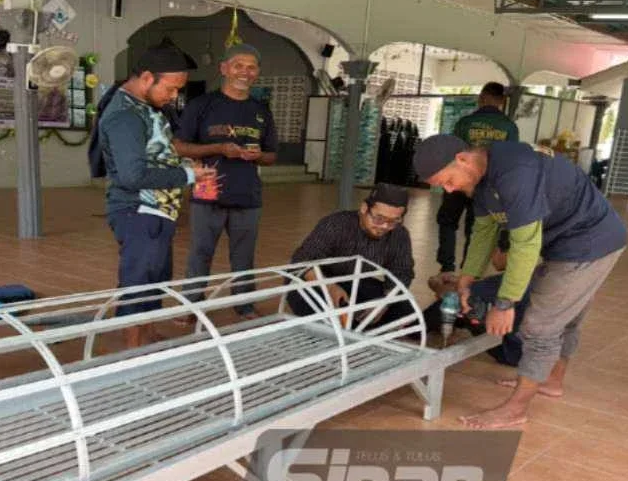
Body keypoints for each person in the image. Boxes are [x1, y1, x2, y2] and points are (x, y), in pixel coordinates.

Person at [413, 134, 627, 429]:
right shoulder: (483, 180)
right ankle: (551, 380)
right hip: (563, 243)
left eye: (447, 181)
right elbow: (484, 232)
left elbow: (525, 244)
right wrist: (465, 280)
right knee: (565, 316)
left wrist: (505, 302)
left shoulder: (516, 172)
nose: (450, 190)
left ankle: (515, 409)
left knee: (540, 326)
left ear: (462, 159)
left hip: (590, 242)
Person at [96, 41, 217, 348]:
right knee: (138, 281)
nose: (174, 96)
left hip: (159, 211)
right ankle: (133, 348)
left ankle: (148, 335)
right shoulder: (124, 114)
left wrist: (180, 162)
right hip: (138, 211)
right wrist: (188, 175)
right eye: (172, 88)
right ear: (148, 78)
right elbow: (131, 175)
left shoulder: (145, 107)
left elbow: (154, 152)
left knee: (156, 279)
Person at [173, 44, 278, 320]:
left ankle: (244, 305)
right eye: (238, 65)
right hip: (208, 191)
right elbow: (180, 147)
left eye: (251, 67)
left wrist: (257, 156)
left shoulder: (261, 111)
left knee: (244, 258)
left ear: (257, 72)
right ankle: (190, 306)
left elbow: (271, 156)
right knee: (200, 253)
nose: (245, 72)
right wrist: (218, 149)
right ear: (224, 69)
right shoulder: (202, 105)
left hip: (248, 196)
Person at [288, 183, 415, 329]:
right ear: (364, 208)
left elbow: (402, 271)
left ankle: (357, 324)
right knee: (325, 314)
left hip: (354, 282)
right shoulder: (336, 224)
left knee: (404, 308)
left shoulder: (399, 234)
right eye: (379, 218)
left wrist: (384, 302)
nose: (385, 226)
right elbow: (301, 261)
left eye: (394, 221)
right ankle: (352, 326)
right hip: (315, 282)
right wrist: (329, 288)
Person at [437, 82, 519, 277]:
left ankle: (447, 267)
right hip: (488, 186)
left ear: (482, 97)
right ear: (502, 101)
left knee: (447, 221)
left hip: (460, 181)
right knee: (476, 228)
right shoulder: (509, 127)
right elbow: (511, 160)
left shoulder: (465, 123)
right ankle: (469, 270)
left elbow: (453, 152)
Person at [424, 247, 538, 366]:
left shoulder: (501, 283)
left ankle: (414, 328)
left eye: (493, 251)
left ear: (504, 253)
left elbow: (460, 294)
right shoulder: (538, 273)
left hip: (513, 354)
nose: (491, 258)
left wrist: (440, 286)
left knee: (452, 304)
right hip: (542, 353)